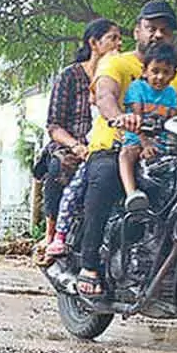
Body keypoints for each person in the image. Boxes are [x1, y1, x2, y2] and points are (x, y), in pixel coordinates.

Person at [76, 0, 177, 296]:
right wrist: (119, 116)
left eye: (165, 30)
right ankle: (88, 265)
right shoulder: (116, 63)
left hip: (162, 153)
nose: (157, 34)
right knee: (105, 177)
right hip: (115, 145)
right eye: (151, 28)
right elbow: (105, 95)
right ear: (137, 31)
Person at [38, 18, 122, 259]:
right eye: (112, 38)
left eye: (120, 39)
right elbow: (54, 125)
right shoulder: (70, 75)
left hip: (108, 144)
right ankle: (52, 234)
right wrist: (76, 146)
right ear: (94, 43)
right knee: (58, 167)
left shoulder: (119, 73)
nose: (119, 44)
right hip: (71, 144)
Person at [117, 43, 177, 212]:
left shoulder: (171, 93)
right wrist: (145, 144)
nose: (160, 77)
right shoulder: (137, 88)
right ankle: (131, 193)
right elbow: (136, 119)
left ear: (173, 75)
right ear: (145, 71)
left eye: (166, 72)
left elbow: (173, 120)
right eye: (155, 71)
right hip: (137, 139)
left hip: (162, 143)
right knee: (126, 155)